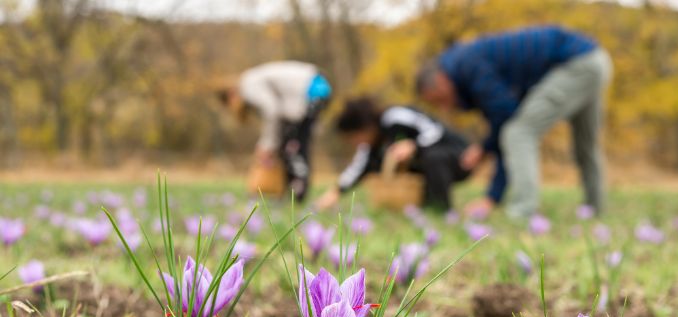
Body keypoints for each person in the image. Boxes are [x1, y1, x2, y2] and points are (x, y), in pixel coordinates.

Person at [416, 25, 613, 219]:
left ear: (442, 80)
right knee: (585, 144)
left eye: (439, 99)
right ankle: (595, 207)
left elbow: (507, 123)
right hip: (595, 59)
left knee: (519, 133)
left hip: (574, 65)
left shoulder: (470, 66)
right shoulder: (466, 63)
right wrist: (485, 148)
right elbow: (503, 119)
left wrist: (492, 197)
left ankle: (523, 209)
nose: (444, 108)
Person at [316, 97, 479, 211]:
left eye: (354, 138)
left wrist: (413, 145)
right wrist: (336, 191)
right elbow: (358, 167)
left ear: (365, 126)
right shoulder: (371, 146)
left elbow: (434, 130)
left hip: (460, 158)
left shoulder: (394, 117)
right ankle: (421, 207)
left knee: (432, 157)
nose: (355, 144)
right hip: (433, 165)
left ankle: (440, 208)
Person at [217, 61, 332, 201]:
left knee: (293, 147)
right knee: (291, 144)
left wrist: (266, 145)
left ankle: (297, 195)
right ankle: (291, 193)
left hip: (313, 89)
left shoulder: (248, 86)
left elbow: (272, 110)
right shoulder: (251, 80)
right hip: (316, 88)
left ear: (231, 94)